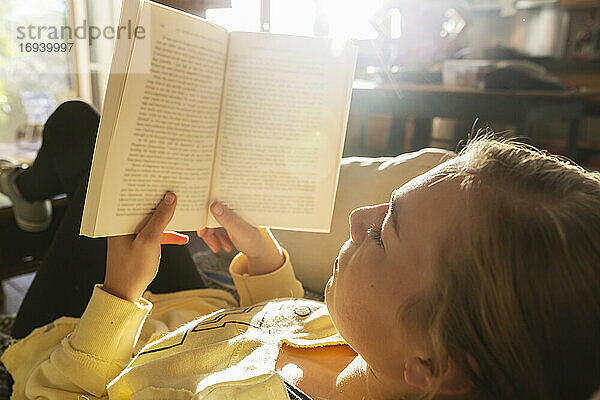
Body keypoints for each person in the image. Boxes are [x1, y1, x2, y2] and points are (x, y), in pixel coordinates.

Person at [0, 101, 599, 400]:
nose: (359, 218)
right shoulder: (371, 347)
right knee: (106, 151)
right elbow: (288, 317)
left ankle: (29, 200)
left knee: (82, 134)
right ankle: (36, 207)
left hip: (55, 358)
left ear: (434, 365)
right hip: (184, 306)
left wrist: (117, 297)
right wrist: (265, 268)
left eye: (385, 232)